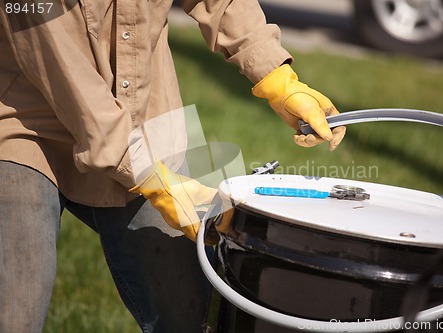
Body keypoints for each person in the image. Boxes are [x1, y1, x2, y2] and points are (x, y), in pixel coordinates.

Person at [0, 0, 346, 332]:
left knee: (194, 313)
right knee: (15, 313)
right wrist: (149, 174)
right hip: (24, 122)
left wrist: (276, 78)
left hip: (148, 115)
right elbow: (56, 60)